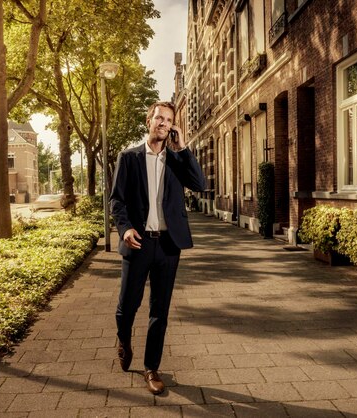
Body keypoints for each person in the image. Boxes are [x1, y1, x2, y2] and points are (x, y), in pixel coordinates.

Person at [110, 101, 206, 395]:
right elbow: (117, 200)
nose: (164, 123)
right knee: (128, 306)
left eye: (169, 120)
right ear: (148, 120)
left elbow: (200, 184)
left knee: (159, 311)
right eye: (159, 118)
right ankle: (123, 338)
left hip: (167, 245)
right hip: (138, 244)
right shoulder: (129, 158)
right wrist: (125, 228)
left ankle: (152, 367)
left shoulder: (177, 161)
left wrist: (184, 148)